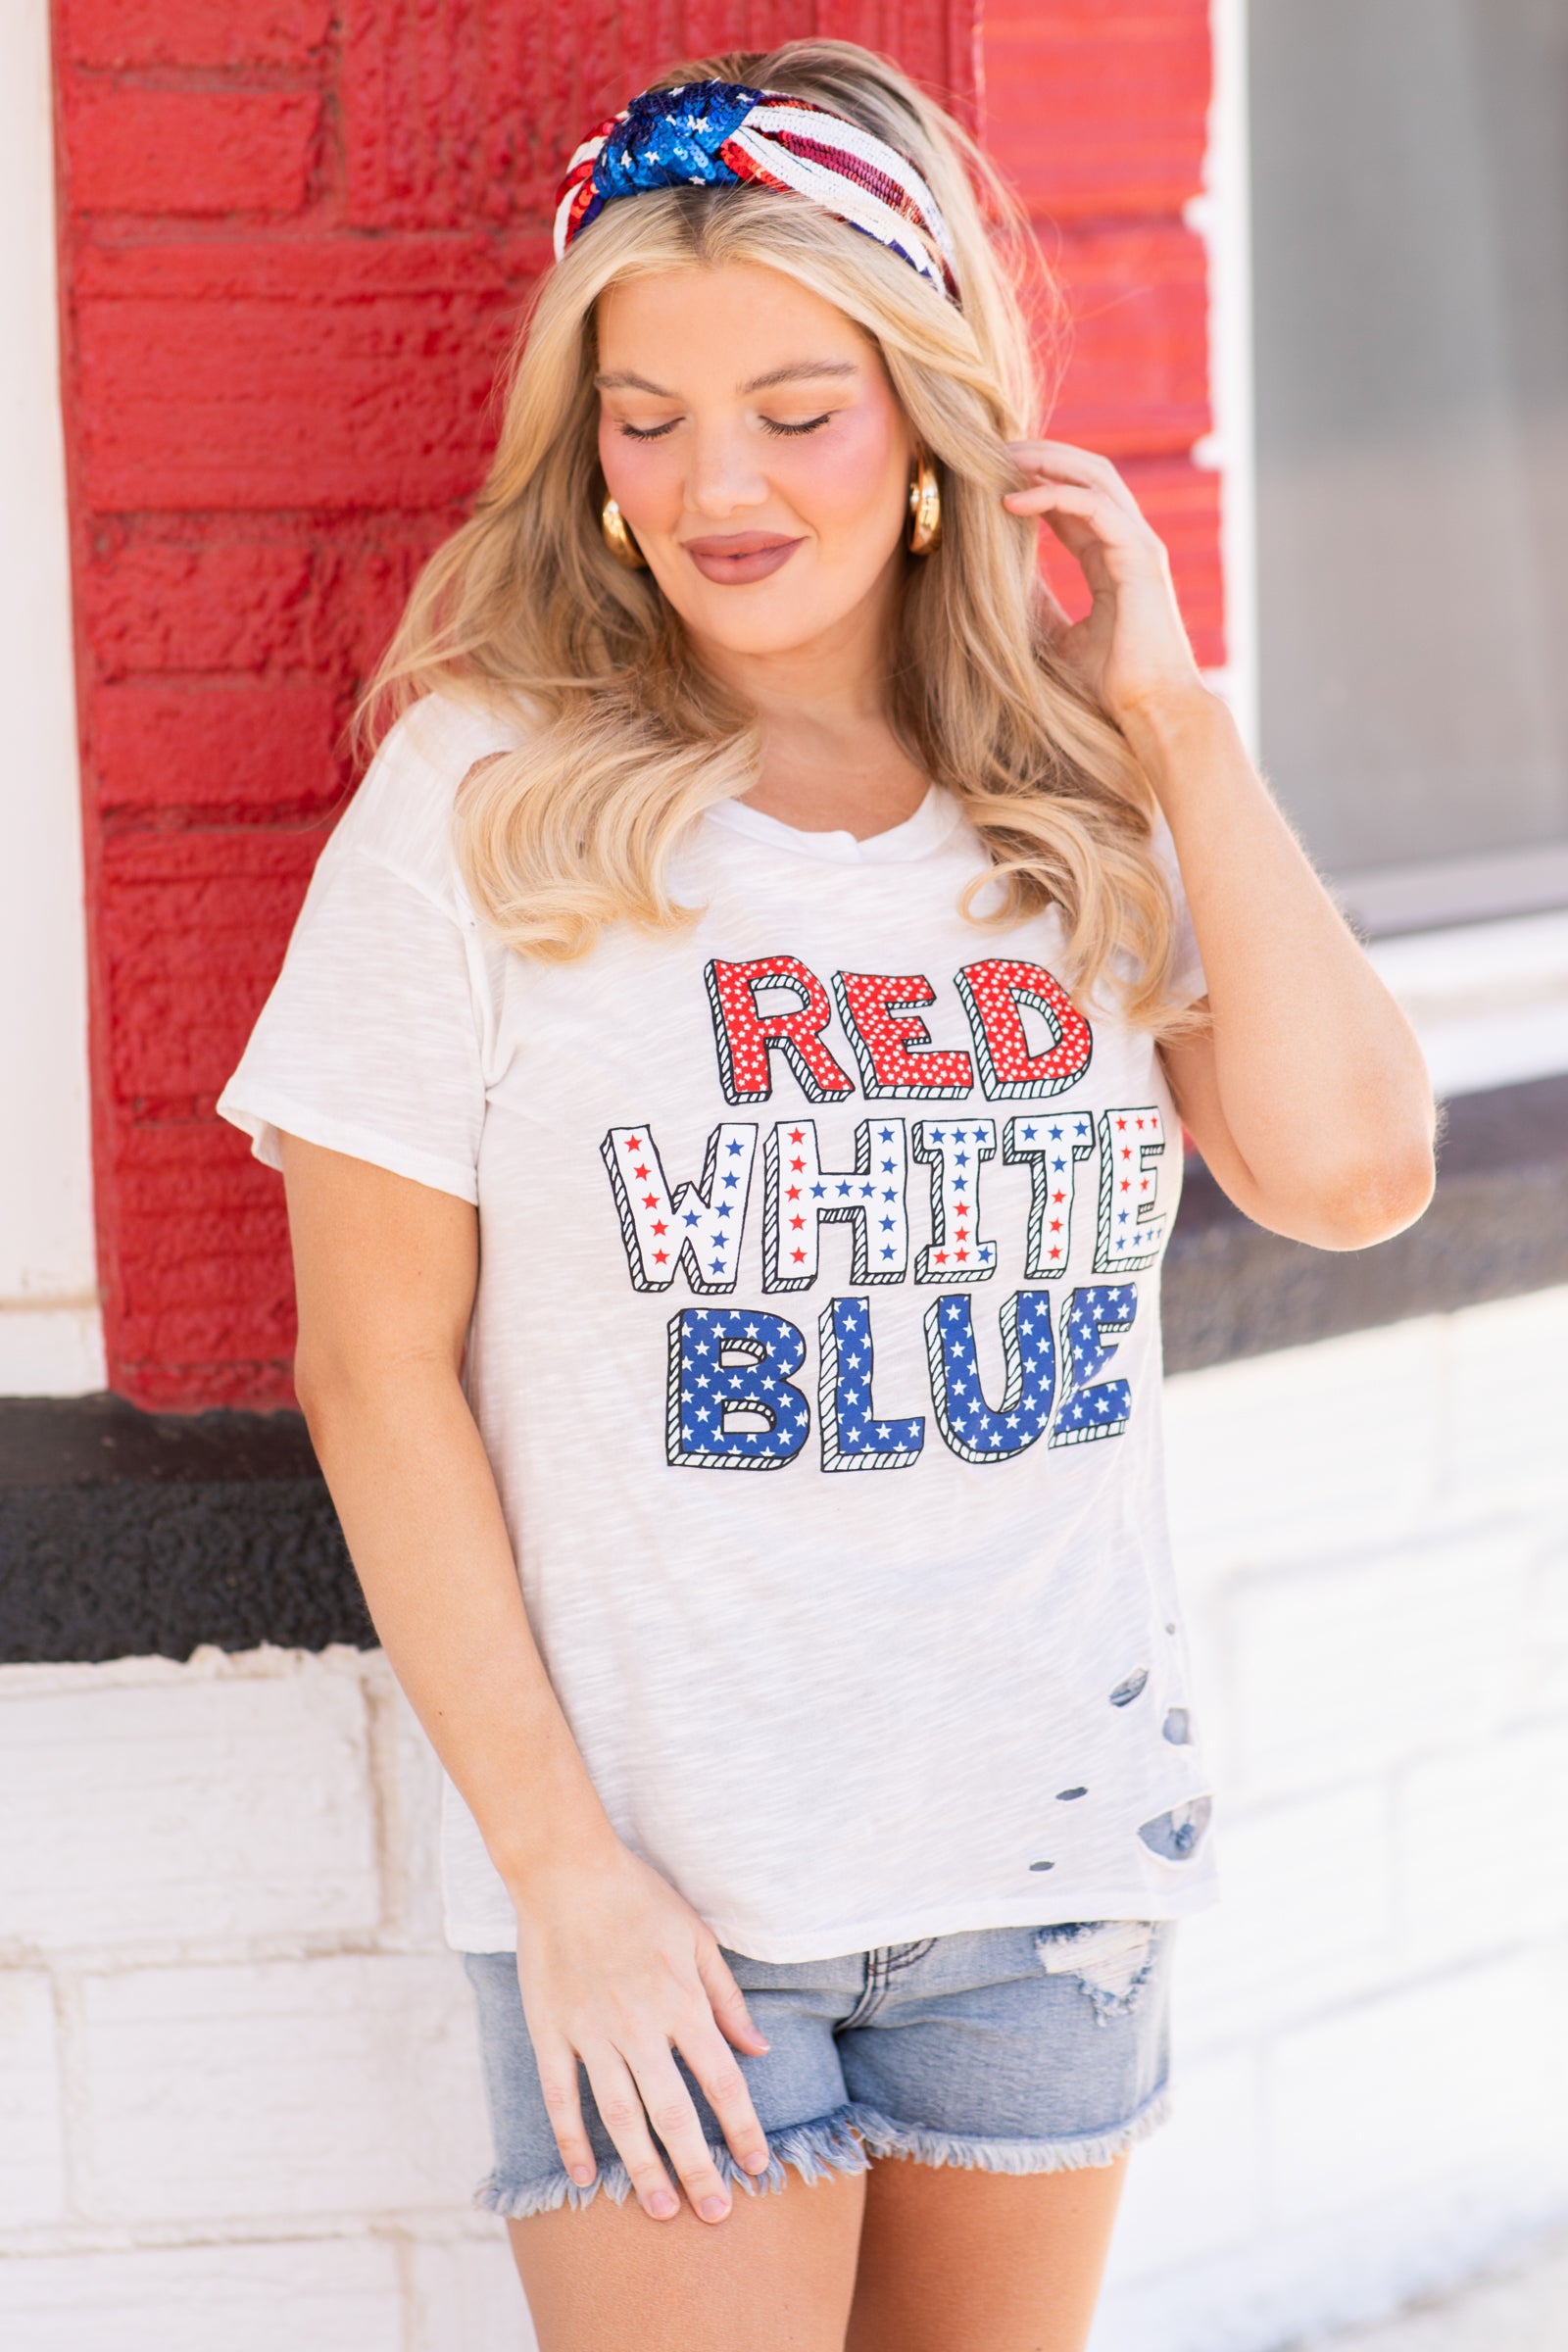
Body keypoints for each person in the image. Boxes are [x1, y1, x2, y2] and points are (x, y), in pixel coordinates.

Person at [217, 39, 1435, 2352]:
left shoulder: (1070, 803)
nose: (715, 484)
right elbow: (368, 1371)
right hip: (672, 1903)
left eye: (796, 405)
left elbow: (1356, 1170)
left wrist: (1170, 726)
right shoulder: (484, 801)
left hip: (1045, 1883)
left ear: (926, 432)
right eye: (647, 416)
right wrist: (557, 1873)